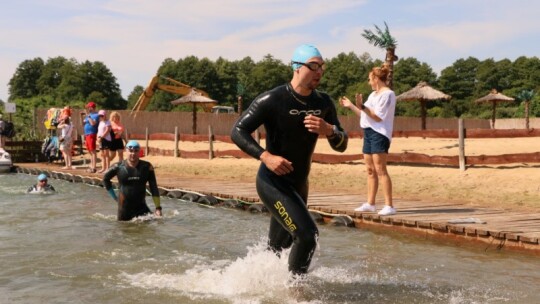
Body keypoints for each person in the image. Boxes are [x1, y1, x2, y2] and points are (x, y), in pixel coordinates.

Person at [231, 44, 348, 275]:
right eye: (313, 65)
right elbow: (237, 131)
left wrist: (329, 130)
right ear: (296, 67)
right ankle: (295, 294)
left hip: (299, 185)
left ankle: (259, 283)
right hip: (272, 182)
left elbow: (342, 144)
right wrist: (266, 157)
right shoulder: (272, 99)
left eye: (322, 66)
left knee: (278, 248)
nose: (319, 71)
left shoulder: (323, 103)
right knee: (307, 236)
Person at [339, 65, 397, 216]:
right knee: (370, 170)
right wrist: (352, 105)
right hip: (368, 133)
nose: (369, 82)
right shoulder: (373, 95)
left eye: (370, 79)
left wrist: (363, 106)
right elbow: (365, 114)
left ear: (376, 79)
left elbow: (378, 117)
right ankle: (370, 204)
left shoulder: (388, 95)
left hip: (380, 134)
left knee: (380, 169)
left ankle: (389, 205)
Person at [102, 140, 162, 221]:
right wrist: (115, 197)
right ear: (125, 151)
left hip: (142, 209)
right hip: (124, 211)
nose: (133, 154)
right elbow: (105, 179)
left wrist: (158, 208)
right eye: (130, 151)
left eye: (136, 151)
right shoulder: (118, 167)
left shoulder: (147, 167)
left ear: (139, 152)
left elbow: (154, 187)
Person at [81, 102, 100, 173]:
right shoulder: (88, 115)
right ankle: (92, 165)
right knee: (90, 150)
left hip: (92, 133)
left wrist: (88, 116)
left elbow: (92, 124)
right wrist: (81, 116)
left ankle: (94, 167)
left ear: (93, 107)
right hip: (87, 134)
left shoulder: (96, 115)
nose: (88, 109)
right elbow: (82, 124)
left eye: (89, 107)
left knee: (93, 150)